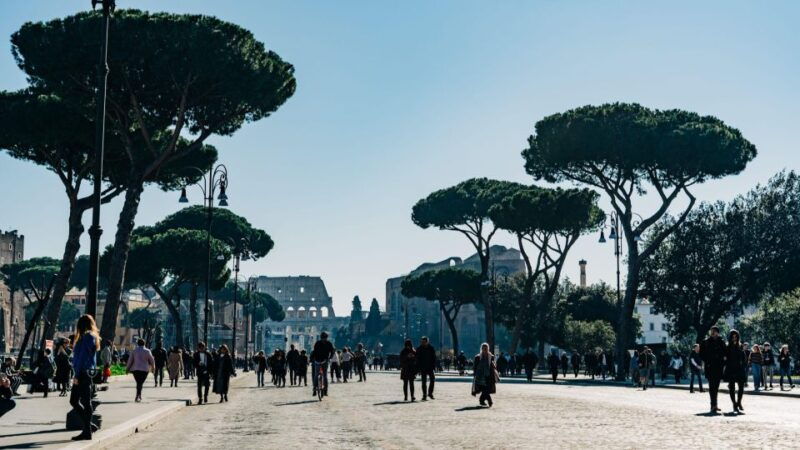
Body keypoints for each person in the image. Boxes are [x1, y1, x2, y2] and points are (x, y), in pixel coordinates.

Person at [70, 314, 100, 441]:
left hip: (82, 373)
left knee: (81, 401)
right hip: (86, 372)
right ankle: (88, 427)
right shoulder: (91, 337)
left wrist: (76, 375)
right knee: (80, 401)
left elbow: (82, 357)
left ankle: (87, 430)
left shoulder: (87, 337)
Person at [700, 326, 726, 414]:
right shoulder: (706, 342)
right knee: (712, 387)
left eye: (714, 331)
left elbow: (725, 353)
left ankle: (715, 405)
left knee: (716, 387)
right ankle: (712, 405)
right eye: (711, 331)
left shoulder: (722, 341)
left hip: (719, 367)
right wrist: (707, 361)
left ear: (718, 333)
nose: (712, 333)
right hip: (710, 367)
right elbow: (701, 354)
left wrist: (723, 362)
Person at [724, 329, 747, 414]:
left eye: (736, 337)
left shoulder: (740, 346)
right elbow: (725, 357)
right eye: (733, 337)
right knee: (732, 387)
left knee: (741, 386)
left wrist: (743, 364)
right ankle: (734, 404)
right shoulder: (727, 346)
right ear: (730, 337)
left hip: (739, 369)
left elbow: (744, 357)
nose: (734, 338)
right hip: (730, 368)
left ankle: (739, 402)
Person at [126, 338, 155, 403]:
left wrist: (127, 369)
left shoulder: (134, 351)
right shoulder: (147, 351)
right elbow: (152, 360)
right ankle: (138, 395)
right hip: (145, 370)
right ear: (144, 344)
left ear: (138, 344)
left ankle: (138, 395)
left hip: (136, 370)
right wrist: (153, 368)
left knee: (139, 383)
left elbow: (130, 361)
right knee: (140, 383)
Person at [472, 342, 497, 407]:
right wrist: (475, 374)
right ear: (481, 349)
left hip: (488, 375)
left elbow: (494, 365)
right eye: (484, 348)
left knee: (486, 389)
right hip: (480, 376)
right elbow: (475, 366)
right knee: (484, 389)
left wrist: (494, 365)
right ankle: (489, 401)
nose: (485, 350)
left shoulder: (491, 357)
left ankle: (482, 400)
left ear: (488, 349)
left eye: (486, 348)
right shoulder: (478, 357)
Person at [311, 331, 335, 397]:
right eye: (323, 338)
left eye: (324, 338)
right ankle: (317, 389)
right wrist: (330, 357)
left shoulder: (320, 343)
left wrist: (330, 357)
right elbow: (332, 351)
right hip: (320, 360)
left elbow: (332, 351)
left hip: (322, 360)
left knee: (321, 375)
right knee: (320, 375)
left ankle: (322, 390)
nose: (324, 339)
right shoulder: (327, 343)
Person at [416, 336, 436, 400]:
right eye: (422, 342)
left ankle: (430, 393)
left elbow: (434, 358)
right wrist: (418, 368)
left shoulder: (431, 348)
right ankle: (424, 395)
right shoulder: (419, 349)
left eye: (424, 342)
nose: (423, 343)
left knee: (432, 380)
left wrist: (433, 366)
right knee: (424, 382)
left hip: (430, 367)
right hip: (423, 367)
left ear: (427, 342)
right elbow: (417, 359)